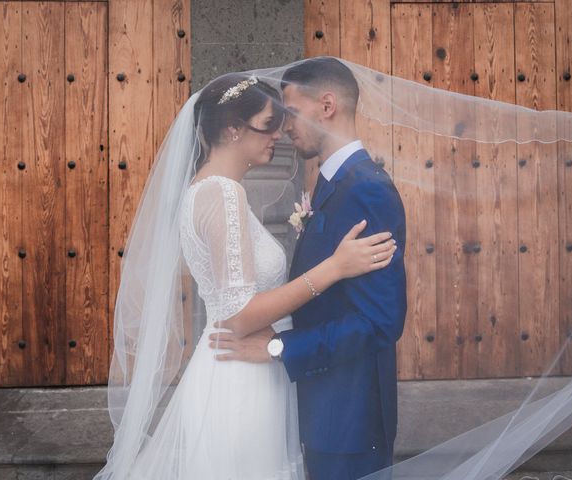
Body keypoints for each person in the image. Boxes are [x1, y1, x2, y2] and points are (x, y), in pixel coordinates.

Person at [95, 72, 396, 480]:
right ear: (234, 129)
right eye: (268, 125)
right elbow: (238, 314)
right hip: (243, 375)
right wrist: (335, 267)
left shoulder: (204, 189)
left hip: (235, 366)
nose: (280, 134)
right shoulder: (223, 194)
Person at [213, 57, 407, 480]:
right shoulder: (331, 182)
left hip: (351, 421)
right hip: (322, 412)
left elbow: (380, 322)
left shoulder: (368, 189)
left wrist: (279, 348)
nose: (283, 129)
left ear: (327, 105)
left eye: (292, 113)